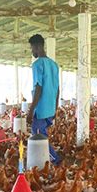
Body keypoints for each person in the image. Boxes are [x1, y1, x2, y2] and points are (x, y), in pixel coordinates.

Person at [27, 34, 61, 164]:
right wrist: (55, 108)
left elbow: (38, 88)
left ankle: (55, 161)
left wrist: (31, 111)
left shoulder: (37, 64)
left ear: (37, 47)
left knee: (39, 137)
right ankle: (43, 161)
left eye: (32, 48)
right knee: (41, 135)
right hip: (50, 108)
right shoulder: (54, 65)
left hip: (41, 110)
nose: (32, 51)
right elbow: (57, 89)